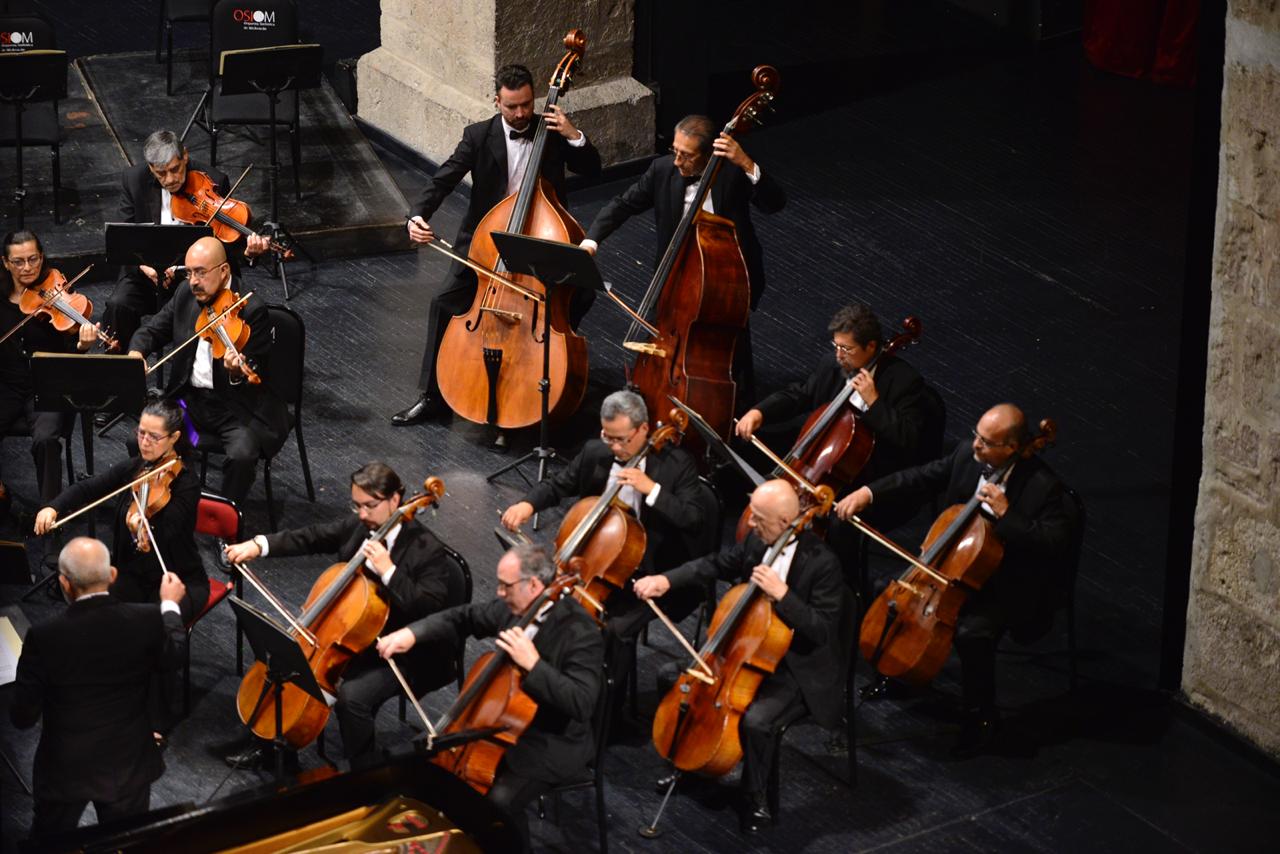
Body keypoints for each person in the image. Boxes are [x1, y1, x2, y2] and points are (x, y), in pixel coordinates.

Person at [834, 403, 1079, 755]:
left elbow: (1052, 544)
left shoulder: (1044, 488)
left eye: (986, 442)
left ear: (1012, 447)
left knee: (972, 632)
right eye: (976, 435)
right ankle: (897, 672)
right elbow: (920, 476)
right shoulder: (967, 455)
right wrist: (868, 493)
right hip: (951, 567)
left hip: (1007, 580)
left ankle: (981, 715)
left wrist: (1008, 514)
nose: (975, 445)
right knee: (886, 590)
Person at [392, 63, 602, 443]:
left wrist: (574, 135)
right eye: (511, 107)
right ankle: (432, 397)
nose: (521, 114)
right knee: (443, 303)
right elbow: (444, 178)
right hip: (486, 245)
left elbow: (593, 169)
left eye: (525, 105)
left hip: (540, 239)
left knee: (581, 293)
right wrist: (417, 215)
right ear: (497, 101)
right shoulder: (478, 136)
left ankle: (540, 377)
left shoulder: (552, 132)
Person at [633, 479, 845, 833]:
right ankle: (686, 764)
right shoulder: (756, 540)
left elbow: (822, 630)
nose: (751, 524)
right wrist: (667, 581)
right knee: (672, 676)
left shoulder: (823, 564)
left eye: (760, 519)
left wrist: (784, 595)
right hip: (743, 652)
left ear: (785, 522)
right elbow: (715, 563)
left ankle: (756, 798)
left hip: (794, 665)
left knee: (757, 721)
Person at [221, 462, 463, 767]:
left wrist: (389, 571)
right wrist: (259, 545)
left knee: (353, 697)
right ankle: (271, 745)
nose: (362, 514)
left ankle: (363, 773)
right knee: (288, 660)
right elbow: (312, 536)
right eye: (357, 505)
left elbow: (430, 608)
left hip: (407, 650)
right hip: (351, 635)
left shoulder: (426, 549)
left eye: (370, 506)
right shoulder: (361, 526)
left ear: (395, 500)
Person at [377, 543, 603, 847]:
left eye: (505, 585)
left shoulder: (581, 631)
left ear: (534, 585)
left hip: (549, 741)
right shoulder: (514, 606)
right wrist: (412, 633)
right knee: (419, 760)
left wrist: (533, 665)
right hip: (498, 722)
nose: (498, 592)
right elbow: (463, 617)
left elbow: (582, 702)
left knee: (496, 804)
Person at [500, 389, 708, 715]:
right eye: (607, 436)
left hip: (656, 573)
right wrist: (528, 503)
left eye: (622, 439)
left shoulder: (677, 464)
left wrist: (650, 489)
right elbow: (559, 484)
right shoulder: (596, 452)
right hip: (600, 564)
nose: (614, 447)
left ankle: (606, 717)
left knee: (615, 630)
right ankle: (548, 692)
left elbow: (694, 519)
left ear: (643, 429)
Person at [582, 114, 787, 402]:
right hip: (675, 272)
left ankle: (734, 405)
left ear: (706, 155)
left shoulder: (732, 171)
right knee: (651, 341)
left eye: (687, 156)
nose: (678, 162)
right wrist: (591, 240)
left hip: (728, 275)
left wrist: (746, 163)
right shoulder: (663, 169)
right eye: (674, 151)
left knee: (730, 347)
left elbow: (775, 204)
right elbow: (623, 204)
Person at [737, 302, 937, 586]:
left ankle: (843, 591)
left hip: (875, 479)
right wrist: (760, 412)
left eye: (847, 349)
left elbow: (909, 440)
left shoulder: (904, 382)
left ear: (871, 347)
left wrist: (874, 403)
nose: (839, 355)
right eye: (836, 346)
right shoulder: (833, 364)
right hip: (827, 469)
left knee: (838, 526)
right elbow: (802, 395)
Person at [10, 537, 187, 837]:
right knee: (125, 843)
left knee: (49, 845)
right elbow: (175, 653)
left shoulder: (44, 637)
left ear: (64, 583)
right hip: (127, 763)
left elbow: (22, 717)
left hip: (65, 767)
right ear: (112, 575)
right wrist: (169, 604)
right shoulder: (145, 619)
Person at [128, 236, 288, 504]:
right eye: (189, 272)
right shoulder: (185, 294)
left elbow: (255, 371)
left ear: (224, 271)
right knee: (141, 441)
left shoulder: (251, 309)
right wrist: (136, 352)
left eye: (201, 272)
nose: (193, 281)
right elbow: (153, 329)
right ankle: (163, 506)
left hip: (234, 407)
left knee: (242, 455)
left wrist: (236, 373)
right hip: (188, 400)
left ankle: (225, 521)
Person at [35, 396, 209, 622]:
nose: (144, 442)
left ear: (174, 437)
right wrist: (53, 507)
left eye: (154, 437)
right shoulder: (138, 467)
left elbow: (170, 531)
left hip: (175, 578)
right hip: (132, 573)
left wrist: (144, 525)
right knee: (93, 613)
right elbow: (90, 487)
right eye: (141, 432)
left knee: (155, 626)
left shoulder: (186, 483)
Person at [103, 129, 268, 355]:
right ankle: (122, 374)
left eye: (175, 169)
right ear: (150, 168)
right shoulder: (134, 180)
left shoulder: (214, 181)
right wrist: (145, 266)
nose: (170, 179)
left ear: (185, 157)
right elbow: (124, 238)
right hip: (148, 273)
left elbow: (228, 246)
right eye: (161, 173)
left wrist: (250, 253)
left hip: (193, 278)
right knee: (118, 305)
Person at [1, 230, 97, 505]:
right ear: (6, 263)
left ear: (42, 257)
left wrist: (82, 346)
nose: (28, 267)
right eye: (18, 262)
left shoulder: (59, 297)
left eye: (33, 259)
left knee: (45, 441)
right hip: (6, 386)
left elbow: (69, 358)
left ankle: (50, 513)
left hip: (45, 387)